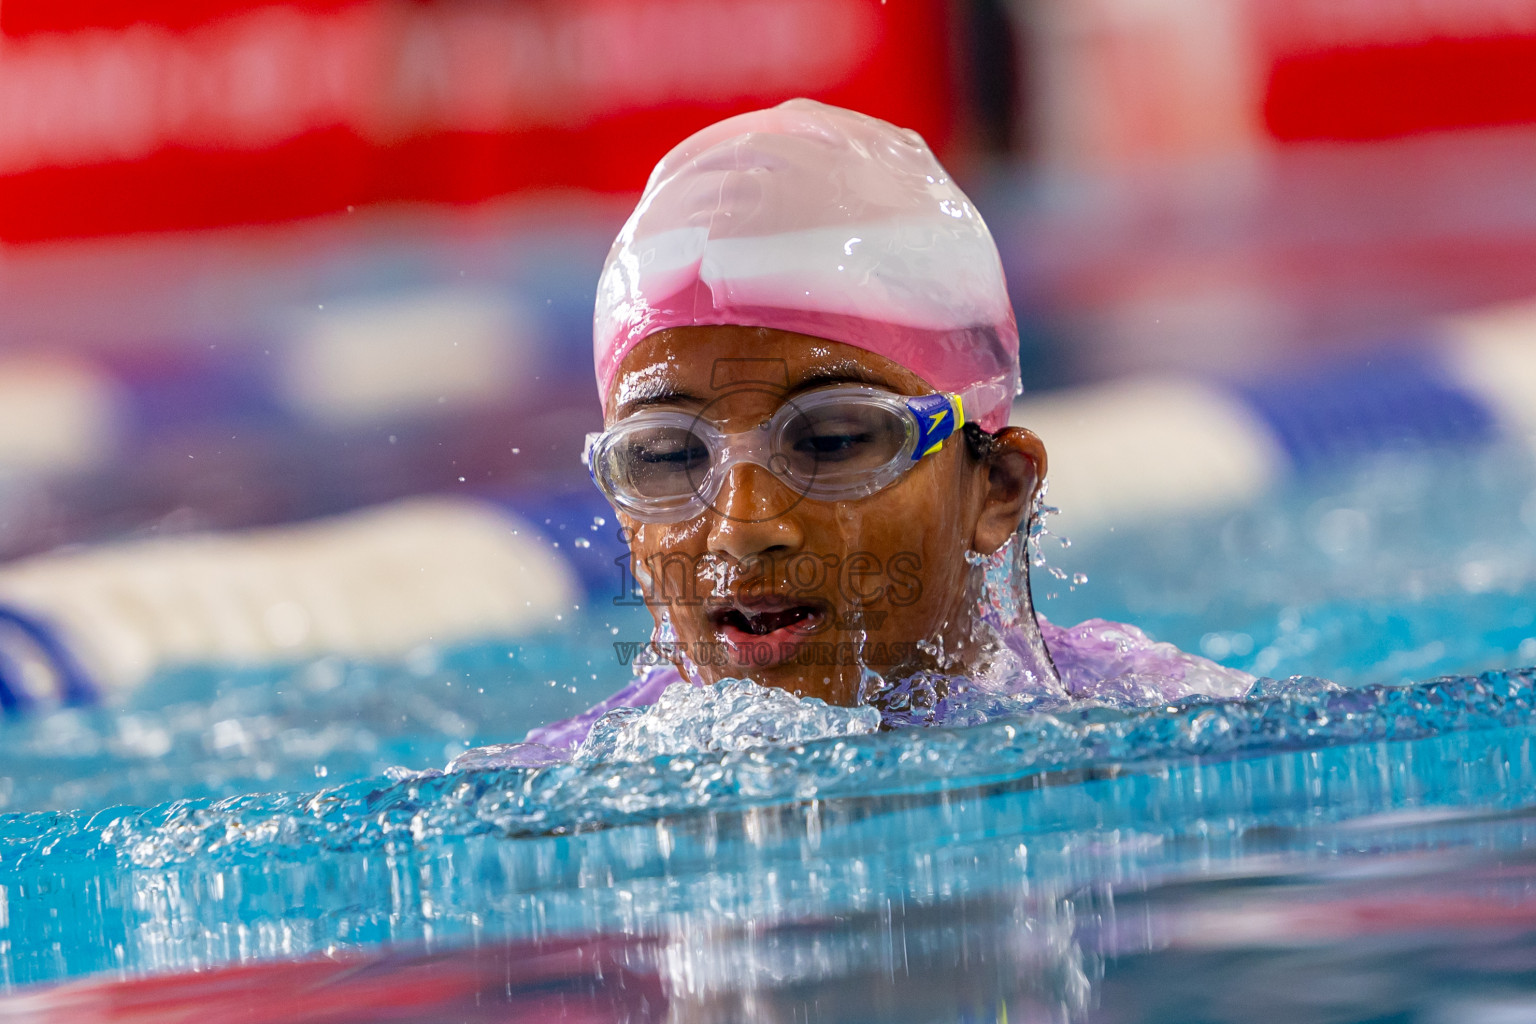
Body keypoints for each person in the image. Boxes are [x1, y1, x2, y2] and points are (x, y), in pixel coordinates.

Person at [469, 99, 1252, 765]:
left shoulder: (1154, 729)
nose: (743, 529)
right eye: (668, 457)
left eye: (832, 442)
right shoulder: (575, 786)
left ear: (997, 490)